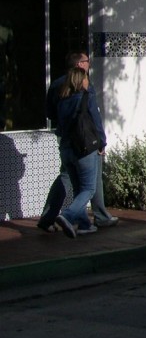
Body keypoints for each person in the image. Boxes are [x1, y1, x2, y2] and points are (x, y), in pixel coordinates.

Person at [37, 52, 118, 232]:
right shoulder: (85, 87)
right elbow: (94, 117)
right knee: (88, 185)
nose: (89, 64)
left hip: (66, 141)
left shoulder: (58, 85)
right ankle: (78, 216)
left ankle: (79, 221)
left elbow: (50, 113)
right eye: (87, 61)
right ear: (80, 65)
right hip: (85, 141)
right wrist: (102, 141)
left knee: (71, 180)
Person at [52, 66, 106, 238]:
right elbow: (96, 122)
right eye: (86, 78)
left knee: (78, 189)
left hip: (66, 149)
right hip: (84, 148)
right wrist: (102, 142)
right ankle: (67, 215)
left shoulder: (61, 100)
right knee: (89, 188)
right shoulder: (86, 96)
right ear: (82, 80)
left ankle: (84, 224)